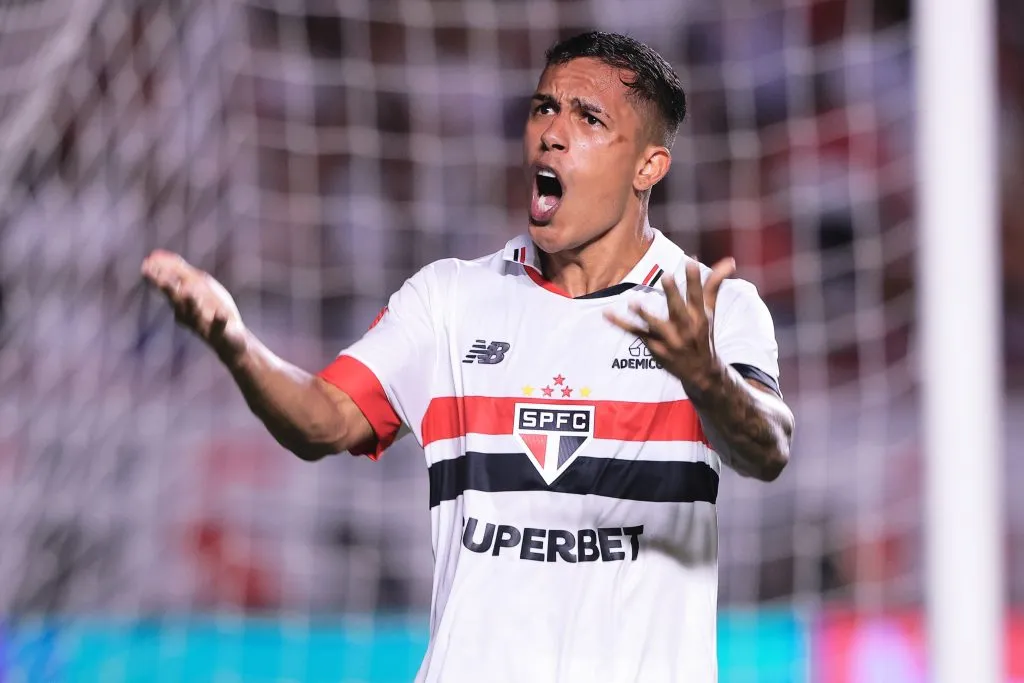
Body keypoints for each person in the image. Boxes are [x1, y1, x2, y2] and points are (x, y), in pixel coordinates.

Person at [142, 31, 794, 683]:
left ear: (648, 167)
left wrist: (706, 376)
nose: (552, 133)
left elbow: (765, 447)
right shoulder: (450, 299)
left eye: (588, 118)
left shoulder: (715, 309)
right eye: (544, 109)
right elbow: (323, 419)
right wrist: (234, 340)